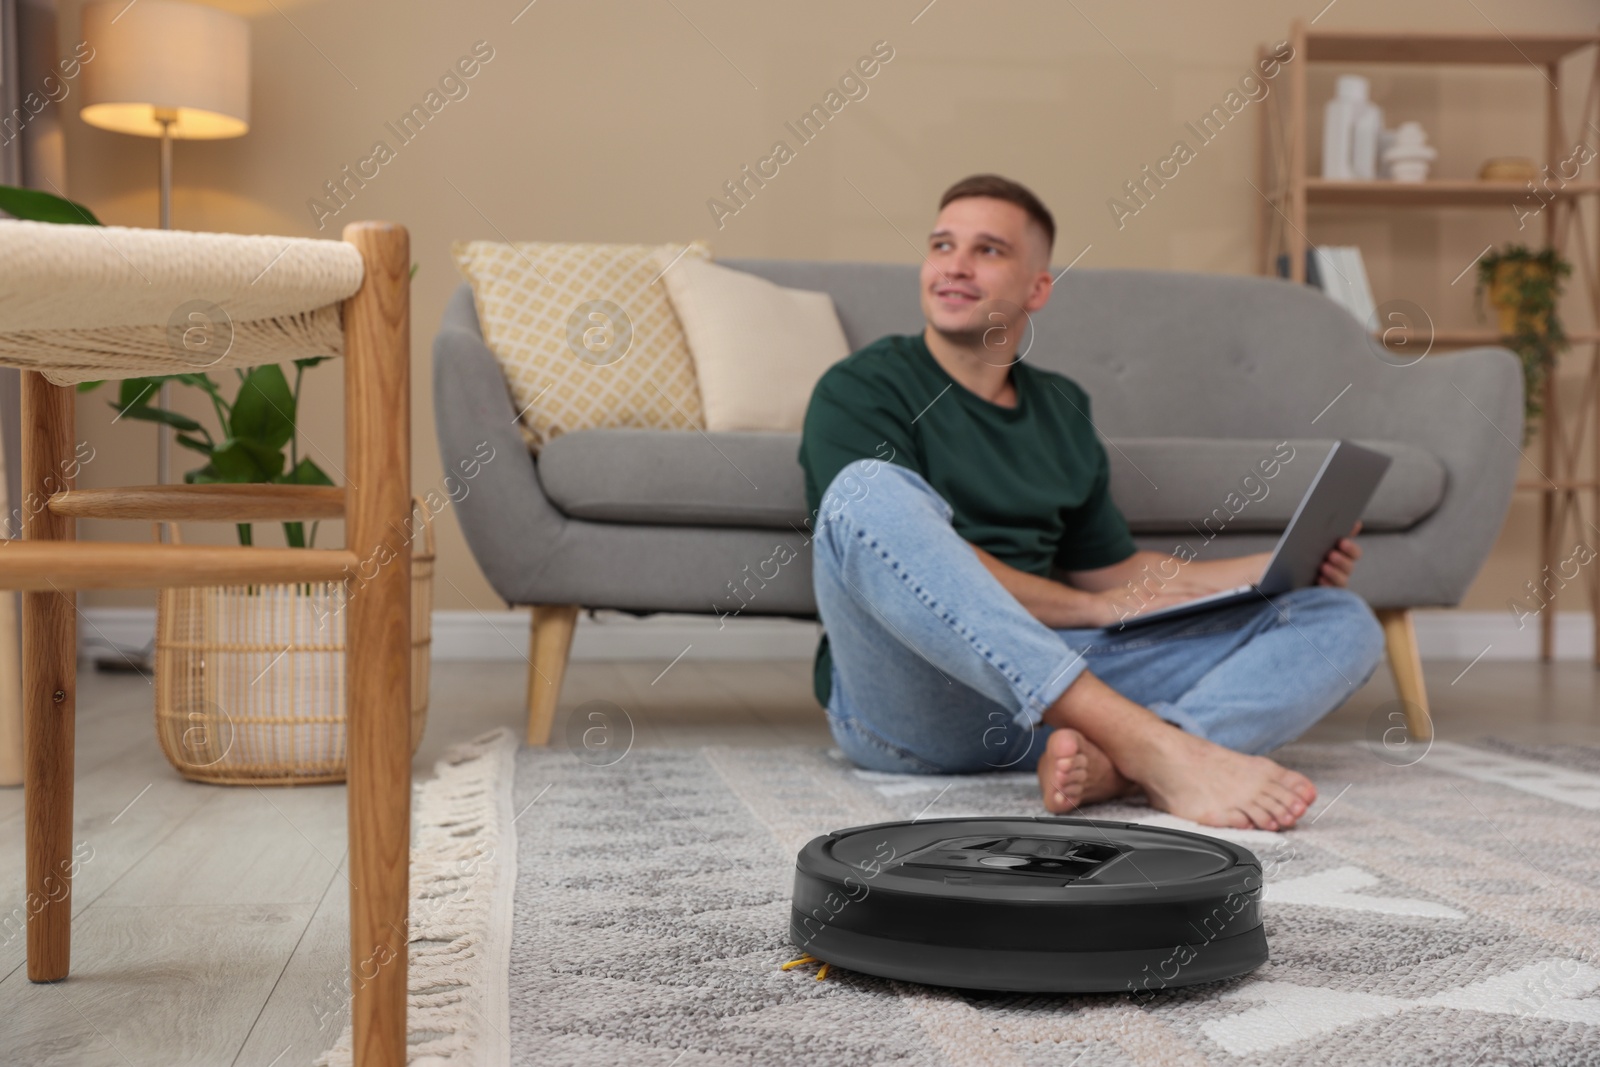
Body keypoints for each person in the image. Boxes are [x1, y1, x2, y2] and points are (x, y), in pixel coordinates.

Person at [797, 174, 1386, 831]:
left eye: (988, 250)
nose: (955, 266)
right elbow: (908, 561)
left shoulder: (1061, 407)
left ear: (1037, 287)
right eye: (942, 245)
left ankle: (1118, 763)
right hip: (916, 700)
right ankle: (1154, 746)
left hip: (1054, 699)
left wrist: (1275, 566)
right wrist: (1087, 608)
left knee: (1342, 619)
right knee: (864, 490)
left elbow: (1114, 573)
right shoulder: (861, 387)